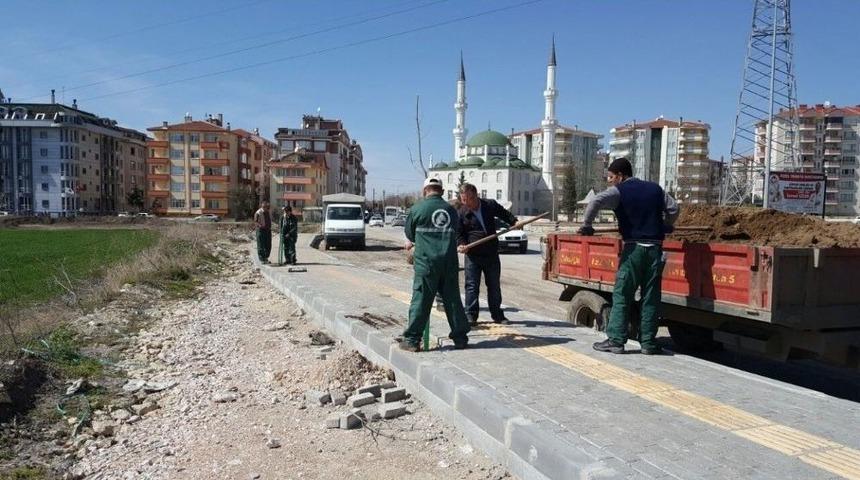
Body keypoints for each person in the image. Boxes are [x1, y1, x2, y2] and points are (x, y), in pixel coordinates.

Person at [578, 158, 679, 355]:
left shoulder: (619, 191)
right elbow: (674, 208)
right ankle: (648, 343)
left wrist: (587, 225)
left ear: (620, 176)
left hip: (634, 250)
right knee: (651, 297)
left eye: (611, 177)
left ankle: (616, 340)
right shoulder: (656, 189)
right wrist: (666, 225)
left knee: (623, 294)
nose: (609, 181)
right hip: (655, 250)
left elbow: (595, 201)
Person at [400, 177, 470, 352]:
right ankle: (460, 338)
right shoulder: (451, 210)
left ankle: (412, 340)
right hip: (448, 263)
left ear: (425, 191)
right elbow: (457, 231)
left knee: (421, 300)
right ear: (442, 191)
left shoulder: (417, 209)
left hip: (426, 263)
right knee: (452, 300)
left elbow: (410, 234)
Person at [456, 183, 517, 325]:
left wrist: (514, 221)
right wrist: (461, 244)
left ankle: (497, 315)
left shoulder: (489, 205)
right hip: (473, 255)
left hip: (491, 253)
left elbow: (504, 214)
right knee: (471, 286)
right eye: (463, 200)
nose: (466, 203)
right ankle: (471, 316)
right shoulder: (461, 212)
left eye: (469, 199)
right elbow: (458, 233)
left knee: (494, 286)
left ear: (476, 195)